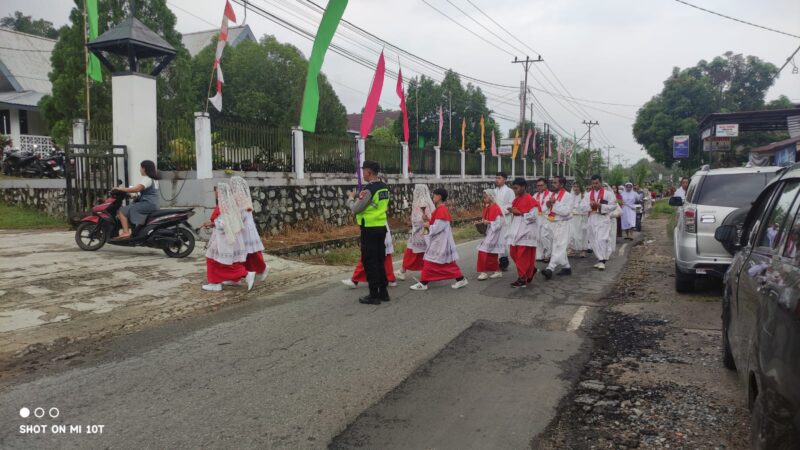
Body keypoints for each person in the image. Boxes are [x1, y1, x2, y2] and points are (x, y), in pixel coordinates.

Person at [346, 160, 390, 305]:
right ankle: (383, 292)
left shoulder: (369, 189)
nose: (362, 173)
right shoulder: (384, 187)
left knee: (369, 261)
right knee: (379, 260)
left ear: (369, 172)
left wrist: (351, 199)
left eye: (363, 171)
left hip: (369, 229)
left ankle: (373, 294)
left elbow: (356, 209)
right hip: (381, 227)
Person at [410, 188, 468, 291]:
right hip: (439, 241)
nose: (433, 198)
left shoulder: (442, 210)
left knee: (429, 260)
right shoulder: (440, 209)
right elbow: (435, 224)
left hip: (440, 242)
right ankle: (461, 279)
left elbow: (437, 228)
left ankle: (423, 283)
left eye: (434, 195)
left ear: (439, 197)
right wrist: (427, 221)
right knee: (447, 264)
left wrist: (427, 226)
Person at [202, 183, 255, 292]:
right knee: (227, 261)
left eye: (216, 191)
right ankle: (235, 279)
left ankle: (216, 283)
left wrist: (213, 224)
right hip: (229, 238)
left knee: (212, 259)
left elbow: (225, 222)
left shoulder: (226, 205)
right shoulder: (230, 204)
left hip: (224, 239)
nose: (215, 194)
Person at [230, 176, 268, 282]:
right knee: (244, 253)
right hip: (243, 227)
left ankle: (262, 268)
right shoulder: (242, 196)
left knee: (251, 252)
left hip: (245, 228)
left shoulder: (239, 197)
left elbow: (243, 214)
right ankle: (240, 274)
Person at [113, 160, 160, 239]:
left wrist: (120, 189)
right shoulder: (154, 180)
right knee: (130, 208)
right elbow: (147, 192)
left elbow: (136, 189)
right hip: (153, 204)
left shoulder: (147, 179)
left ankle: (125, 232)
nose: (140, 170)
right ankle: (134, 231)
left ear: (144, 168)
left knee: (122, 211)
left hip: (147, 204)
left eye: (141, 168)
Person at [396, 184, 434, 281]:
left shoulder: (421, 202)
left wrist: (412, 221)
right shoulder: (426, 201)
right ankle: (426, 271)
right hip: (424, 230)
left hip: (420, 231)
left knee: (411, 251)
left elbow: (420, 218)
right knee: (424, 252)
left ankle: (402, 271)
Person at [507, 178, 540, 288]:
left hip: (526, 231)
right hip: (516, 230)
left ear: (524, 187)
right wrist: (511, 210)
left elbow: (534, 216)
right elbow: (515, 212)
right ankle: (530, 270)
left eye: (516, 188)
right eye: (513, 188)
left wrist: (520, 213)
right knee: (513, 253)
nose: (515, 190)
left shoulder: (530, 200)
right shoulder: (516, 199)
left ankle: (522, 279)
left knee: (522, 256)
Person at [581, 175, 618, 270]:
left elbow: (613, 206)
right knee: (593, 240)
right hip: (592, 218)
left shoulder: (608, 194)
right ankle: (600, 258)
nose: (595, 185)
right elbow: (582, 207)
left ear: (601, 183)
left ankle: (601, 261)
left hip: (603, 218)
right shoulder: (588, 194)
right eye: (593, 183)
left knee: (601, 239)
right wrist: (590, 205)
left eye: (597, 183)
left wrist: (600, 205)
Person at [542, 176, 573, 279]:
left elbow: (566, 212)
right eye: (552, 182)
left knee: (558, 246)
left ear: (562, 184)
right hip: (551, 223)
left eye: (555, 183)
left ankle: (550, 268)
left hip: (562, 224)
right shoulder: (550, 194)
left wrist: (555, 203)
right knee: (556, 246)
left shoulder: (568, 196)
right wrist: (547, 205)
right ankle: (567, 267)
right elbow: (543, 210)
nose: (552, 184)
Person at [476, 189, 507, 280]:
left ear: (491, 196)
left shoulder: (496, 208)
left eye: (486, 195)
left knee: (482, 251)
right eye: (484, 195)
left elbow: (499, 223)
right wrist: (483, 222)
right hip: (490, 232)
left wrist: (488, 222)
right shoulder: (488, 207)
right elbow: (485, 219)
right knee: (492, 253)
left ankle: (483, 272)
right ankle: (497, 271)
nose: (484, 197)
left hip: (494, 233)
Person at [493, 172, 515, 271]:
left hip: (505, 218)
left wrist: (499, 210)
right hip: (495, 218)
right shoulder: (493, 191)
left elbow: (511, 205)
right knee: (496, 239)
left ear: (505, 179)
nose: (497, 180)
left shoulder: (510, 191)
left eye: (499, 178)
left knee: (503, 240)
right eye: (496, 178)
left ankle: (504, 260)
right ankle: (497, 260)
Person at [532, 178, 552, 261]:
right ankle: (540, 255)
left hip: (547, 218)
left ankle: (548, 254)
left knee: (545, 236)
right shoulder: (535, 195)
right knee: (538, 237)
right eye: (538, 185)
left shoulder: (551, 195)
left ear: (545, 185)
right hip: (537, 218)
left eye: (541, 185)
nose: (539, 187)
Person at [569, 183, 588, 258]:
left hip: (581, 218)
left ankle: (583, 250)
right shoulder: (571, 196)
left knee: (582, 234)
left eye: (577, 186)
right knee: (571, 234)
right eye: (574, 186)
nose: (575, 188)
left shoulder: (584, 196)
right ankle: (572, 249)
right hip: (572, 218)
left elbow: (586, 207)